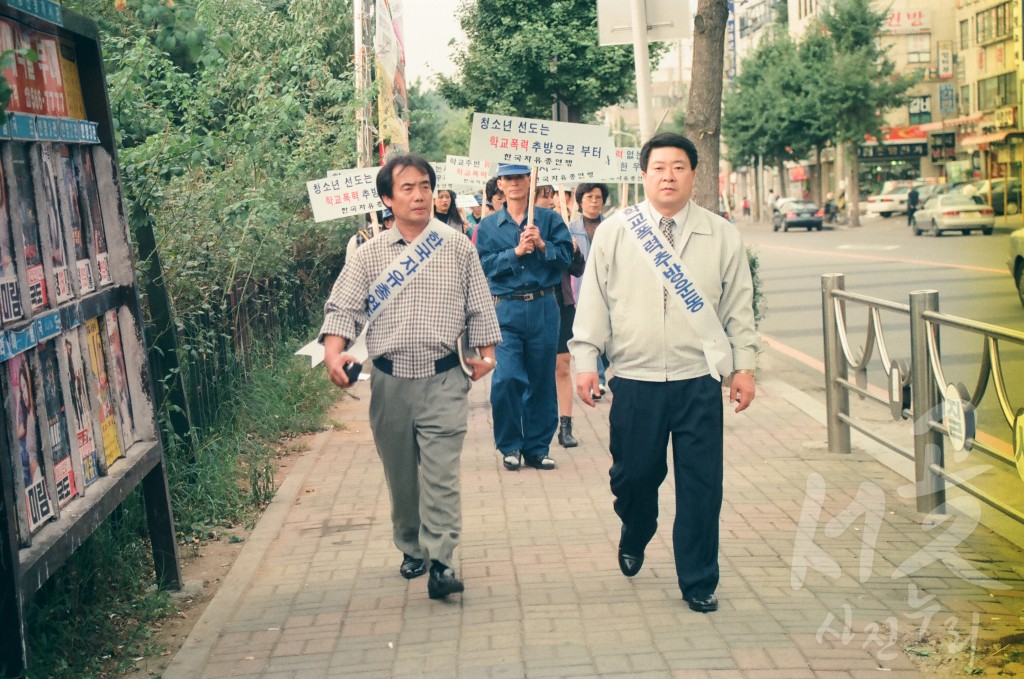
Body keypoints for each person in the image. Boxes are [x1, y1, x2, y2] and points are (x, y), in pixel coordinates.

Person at [570, 132, 758, 614]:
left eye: (679, 167)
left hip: (698, 379)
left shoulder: (721, 234)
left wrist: (744, 367)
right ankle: (637, 527)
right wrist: (587, 361)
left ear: (694, 175)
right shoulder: (616, 231)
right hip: (636, 379)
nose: (669, 176)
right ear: (644, 174)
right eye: (659, 167)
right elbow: (592, 301)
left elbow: (739, 306)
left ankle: (697, 579)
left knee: (701, 486)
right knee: (633, 477)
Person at [319, 154, 502, 599]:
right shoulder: (368, 254)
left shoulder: (458, 245)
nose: (419, 195)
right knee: (402, 477)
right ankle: (411, 545)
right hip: (389, 382)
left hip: (444, 379)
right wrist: (333, 353)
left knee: (441, 475)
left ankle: (441, 561)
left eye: (425, 186)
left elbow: (479, 303)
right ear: (387, 198)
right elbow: (343, 307)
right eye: (407, 188)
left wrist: (487, 354)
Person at [476, 164, 574, 470]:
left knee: (542, 380)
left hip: (544, 306)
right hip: (506, 307)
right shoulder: (489, 225)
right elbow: (482, 266)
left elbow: (568, 259)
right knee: (507, 378)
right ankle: (509, 444)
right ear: (500, 185)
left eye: (520, 177)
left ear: (530, 180)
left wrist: (543, 245)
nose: (515, 183)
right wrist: (515, 252)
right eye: (508, 178)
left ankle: (537, 447)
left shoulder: (550, 219)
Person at [536, 184, 586, 446]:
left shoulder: (563, 231)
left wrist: (574, 250)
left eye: (553, 196)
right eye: (545, 196)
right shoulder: (519, 231)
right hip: (533, 306)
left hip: (562, 303)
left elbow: (577, 270)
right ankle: (537, 424)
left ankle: (565, 425)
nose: (552, 201)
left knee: (562, 366)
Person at [569, 182, 610, 399]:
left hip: (609, 288)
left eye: (598, 197)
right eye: (589, 197)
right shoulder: (570, 229)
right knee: (590, 334)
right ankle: (599, 381)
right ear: (580, 201)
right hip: (581, 289)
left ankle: (602, 368)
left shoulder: (612, 227)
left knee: (608, 338)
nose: (594, 201)